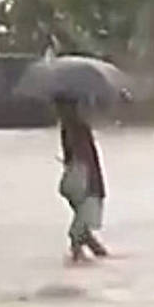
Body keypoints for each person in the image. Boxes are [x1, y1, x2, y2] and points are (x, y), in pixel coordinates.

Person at [55, 97, 108, 262]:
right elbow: (85, 155)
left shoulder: (69, 128)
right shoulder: (77, 128)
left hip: (77, 175)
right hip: (84, 176)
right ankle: (79, 245)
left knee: (83, 210)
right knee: (86, 210)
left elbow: (75, 154)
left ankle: (88, 243)